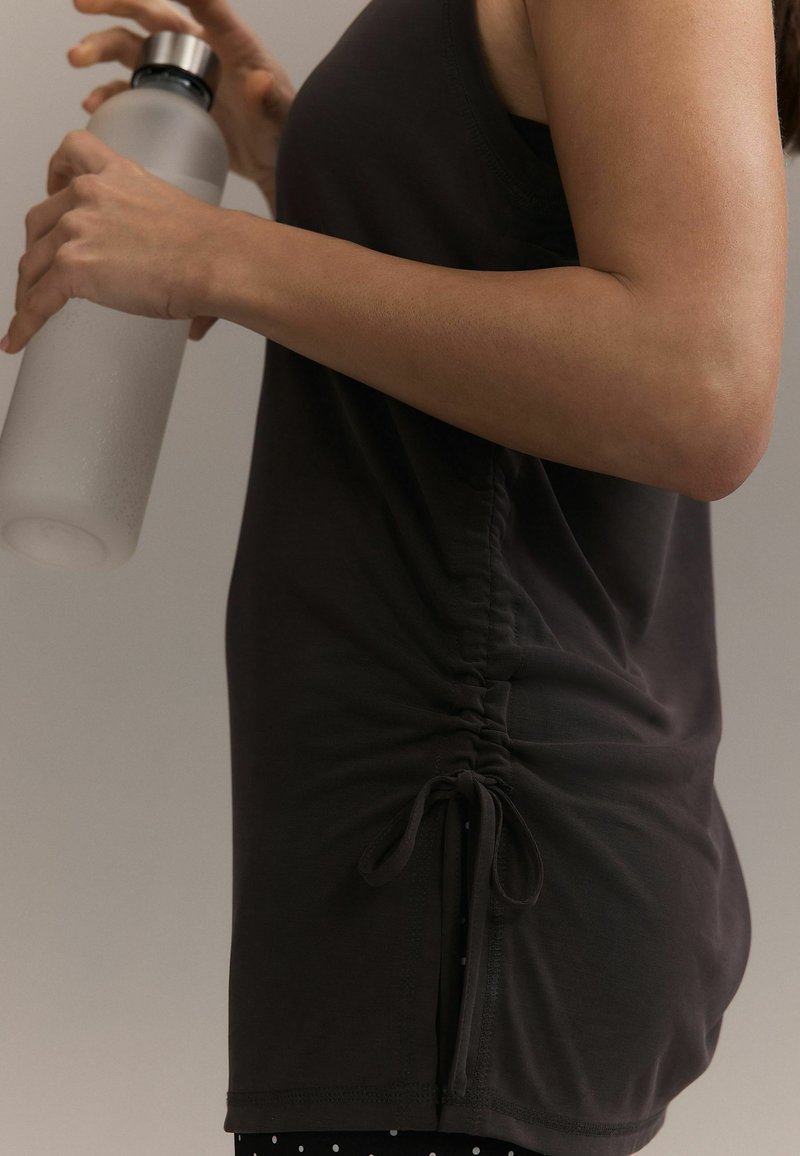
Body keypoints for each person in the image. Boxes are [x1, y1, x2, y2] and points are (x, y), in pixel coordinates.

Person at [5, 2, 790, 1154]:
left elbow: (699, 385)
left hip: (476, 857)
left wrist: (214, 252)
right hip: (405, 868)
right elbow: (507, 239)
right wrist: (326, 158)